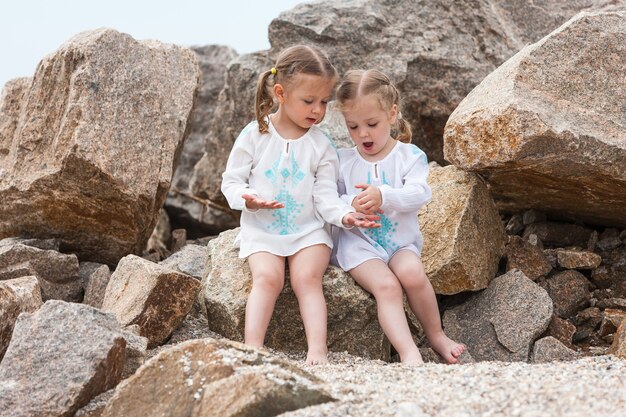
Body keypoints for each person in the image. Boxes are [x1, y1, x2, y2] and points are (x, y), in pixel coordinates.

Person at [221, 46, 380, 365]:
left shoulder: (321, 146)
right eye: (309, 101)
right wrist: (248, 200)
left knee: (307, 277)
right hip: (262, 230)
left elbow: (325, 198)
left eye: (324, 102)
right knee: (268, 278)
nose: (318, 110)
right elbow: (231, 182)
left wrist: (346, 216)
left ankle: (317, 350)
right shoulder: (255, 134)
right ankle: (253, 346)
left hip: (309, 231)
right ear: (280, 92)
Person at [333, 69, 465, 364]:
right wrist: (351, 205)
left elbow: (420, 194)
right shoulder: (342, 160)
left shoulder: (409, 156)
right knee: (387, 286)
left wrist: (385, 196)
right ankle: (409, 353)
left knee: (412, 274)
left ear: (392, 114)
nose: (362, 134)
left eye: (371, 123)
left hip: (400, 242)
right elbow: (330, 198)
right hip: (359, 245)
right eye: (352, 126)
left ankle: (437, 336)